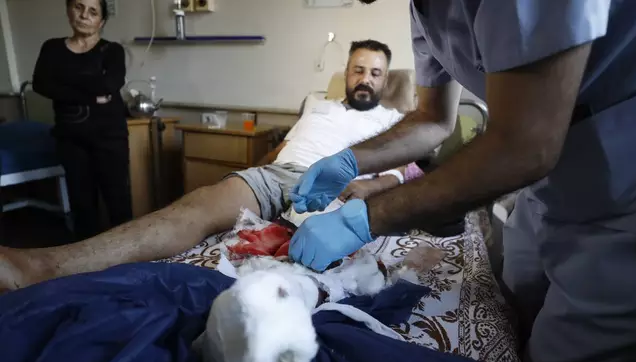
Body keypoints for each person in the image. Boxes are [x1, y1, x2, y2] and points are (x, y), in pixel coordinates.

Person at [287, 1, 636, 362]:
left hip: (627, 178)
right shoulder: (425, 11)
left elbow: (526, 144)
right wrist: (351, 160)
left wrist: (365, 218)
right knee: (510, 310)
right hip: (548, 182)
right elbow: (433, 118)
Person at [0, 39, 408, 291]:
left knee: (315, 267)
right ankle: (39, 266)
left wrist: (373, 187)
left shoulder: (392, 121)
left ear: (385, 79)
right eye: (358, 69)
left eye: (375, 72)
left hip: (341, 188)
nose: (365, 78)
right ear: (348, 72)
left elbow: (410, 170)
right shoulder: (317, 106)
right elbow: (282, 148)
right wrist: (249, 175)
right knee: (197, 205)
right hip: (278, 175)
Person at [33, 0, 131, 241]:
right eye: (78, 7)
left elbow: (110, 85)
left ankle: (132, 262)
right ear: (68, 10)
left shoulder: (112, 51)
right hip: (71, 139)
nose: (84, 15)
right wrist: (91, 95)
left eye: (93, 11)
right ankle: (87, 266)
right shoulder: (52, 48)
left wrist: (65, 87)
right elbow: (41, 84)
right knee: (82, 205)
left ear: (102, 21)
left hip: (110, 138)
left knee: (118, 202)